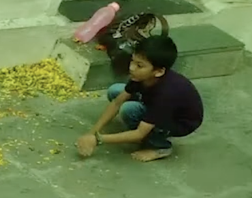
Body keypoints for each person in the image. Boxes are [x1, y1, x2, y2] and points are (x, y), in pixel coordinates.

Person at [77, 35, 202, 163]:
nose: (131, 68)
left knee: (129, 111)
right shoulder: (140, 76)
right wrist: (92, 132)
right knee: (115, 91)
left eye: (139, 65)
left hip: (179, 122)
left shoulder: (166, 95)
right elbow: (116, 102)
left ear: (158, 71)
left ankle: (161, 146)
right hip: (154, 103)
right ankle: (143, 122)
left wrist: (98, 139)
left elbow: (139, 134)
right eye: (133, 61)